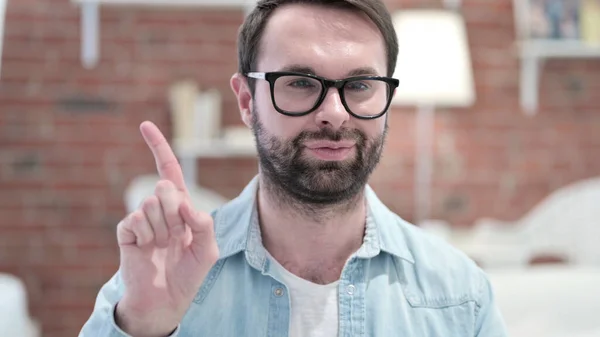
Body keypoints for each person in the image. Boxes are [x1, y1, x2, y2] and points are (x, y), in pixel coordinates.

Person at [79, 0, 507, 336]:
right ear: (247, 101)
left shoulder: (458, 294)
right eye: (301, 83)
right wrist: (146, 327)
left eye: (359, 85)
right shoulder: (165, 278)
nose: (335, 114)